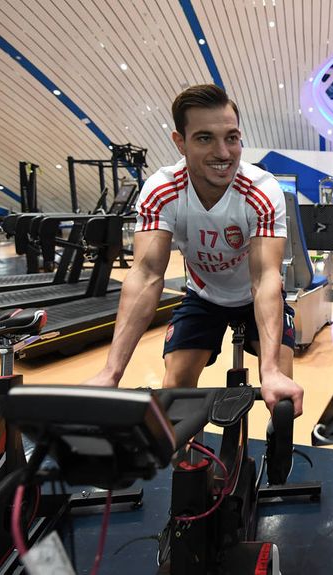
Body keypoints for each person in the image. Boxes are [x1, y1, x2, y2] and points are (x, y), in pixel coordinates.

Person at [85, 84, 303, 417]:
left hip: (254, 297)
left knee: (281, 389)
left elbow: (265, 277)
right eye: (205, 138)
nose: (223, 152)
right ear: (180, 142)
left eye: (231, 138)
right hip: (204, 298)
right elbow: (145, 275)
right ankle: (190, 460)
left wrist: (271, 370)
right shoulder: (163, 190)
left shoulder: (260, 189)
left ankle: (278, 457)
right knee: (175, 388)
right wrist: (111, 372)